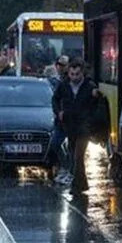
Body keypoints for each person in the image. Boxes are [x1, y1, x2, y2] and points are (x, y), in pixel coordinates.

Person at [52, 59, 100, 195]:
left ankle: (75, 186)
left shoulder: (89, 86)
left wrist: (91, 117)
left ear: (82, 73)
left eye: (77, 74)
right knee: (74, 156)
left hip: (84, 128)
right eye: (72, 74)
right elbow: (55, 99)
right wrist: (58, 112)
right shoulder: (64, 85)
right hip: (69, 126)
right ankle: (82, 184)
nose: (74, 77)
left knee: (78, 156)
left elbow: (97, 104)